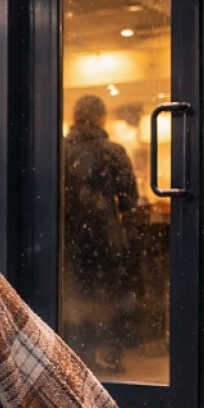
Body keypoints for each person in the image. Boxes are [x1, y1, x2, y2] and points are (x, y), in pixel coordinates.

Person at [61, 95, 139, 374]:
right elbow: (130, 199)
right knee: (107, 297)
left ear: (74, 115)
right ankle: (110, 355)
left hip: (66, 238)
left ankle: (76, 356)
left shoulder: (58, 150)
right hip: (104, 238)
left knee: (72, 295)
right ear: (102, 118)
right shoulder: (113, 151)